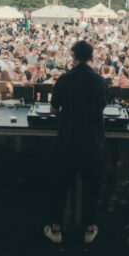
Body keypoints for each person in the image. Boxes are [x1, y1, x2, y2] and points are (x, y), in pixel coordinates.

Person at [44, 40, 111, 245]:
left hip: (68, 140)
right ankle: (89, 229)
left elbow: (54, 109)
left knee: (61, 184)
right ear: (91, 56)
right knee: (91, 186)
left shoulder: (65, 78)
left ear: (73, 56)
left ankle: (56, 229)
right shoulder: (99, 80)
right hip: (91, 141)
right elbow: (104, 106)